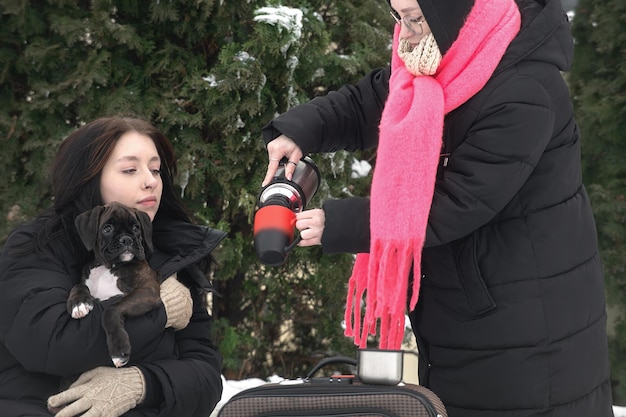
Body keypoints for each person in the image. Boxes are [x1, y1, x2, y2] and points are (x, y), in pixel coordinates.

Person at [261, 0, 614, 416]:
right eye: (397, 16)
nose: (404, 32)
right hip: (467, 317)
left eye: (415, 17)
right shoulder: (439, 59)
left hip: (527, 334)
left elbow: (461, 201)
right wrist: (300, 130)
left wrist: (341, 222)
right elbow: (370, 99)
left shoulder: (523, 90)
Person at [0, 116, 226, 417]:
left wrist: (143, 384)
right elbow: (51, 343)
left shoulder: (172, 256)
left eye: (155, 169)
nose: (150, 181)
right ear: (87, 178)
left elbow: (205, 375)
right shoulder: (36, 246)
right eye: (130, 169)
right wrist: (160, 311)